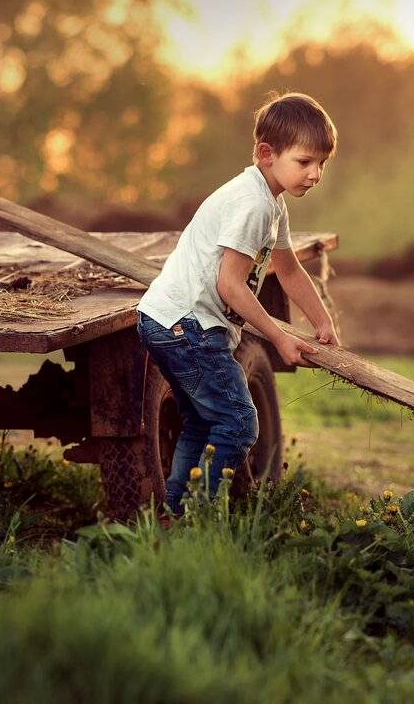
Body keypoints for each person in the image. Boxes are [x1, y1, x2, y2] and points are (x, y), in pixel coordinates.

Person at [136, 91, 339, 514]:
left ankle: (175, 515)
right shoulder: (252, 205)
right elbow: (231, 286)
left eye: (322, 163)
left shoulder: (271, 202)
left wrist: (322, 322)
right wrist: (280, 337)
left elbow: (286, 270)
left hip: (167, 320)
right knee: (240, 423)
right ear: (267, 153)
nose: (316, 173)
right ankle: (198, 516)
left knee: (202, 422)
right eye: (305, 162)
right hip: (185, 325)